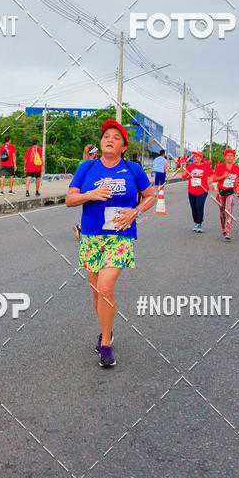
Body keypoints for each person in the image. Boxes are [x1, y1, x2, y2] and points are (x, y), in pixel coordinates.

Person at [66, 119, 155, 368]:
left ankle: (105, 342)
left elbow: (150, 197)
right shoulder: (87, 166)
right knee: (96, 290)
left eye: (116, 137)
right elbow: (70, 200)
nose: (109, 139)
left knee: (105, 288)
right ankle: (107, 329)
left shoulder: (133, 169)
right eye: (106, 135)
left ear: (124, 146)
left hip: (120, 235)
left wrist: (135, 212)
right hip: (92, 236)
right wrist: (89, 195)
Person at [210, 149, 239, 241]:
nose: (229, 157)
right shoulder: (220, 167)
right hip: (221, 192)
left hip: (231, 192)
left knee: (228, 211)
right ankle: (223, 228)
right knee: (222, 211)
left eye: (231, 155)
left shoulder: (236, 168)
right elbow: (214, 179)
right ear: (225, 157)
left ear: (234, 157)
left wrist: (238, 184)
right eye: (227, 156)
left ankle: (228, 231)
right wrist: (223, 176)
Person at [181, 151, 212, 232]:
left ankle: (200, 223)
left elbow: (212, 174)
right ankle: (196, 223)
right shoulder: (190, 166)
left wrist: (211, 179)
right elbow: (183, 175)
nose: (195, 158)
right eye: (194, 156)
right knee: (193, 207)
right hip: (191, 190)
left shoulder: (206, 166)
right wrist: (184, 169)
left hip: (203, 190)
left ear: (201, 158)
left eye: (197, 156)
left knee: (199, 206)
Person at [73, 145, 98, 240]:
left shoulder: (81, 163)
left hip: (82, 189)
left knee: (88, 210)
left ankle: (80, 227)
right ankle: (80, 227)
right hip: (91, 189)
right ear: (94, 153)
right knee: (93, 210)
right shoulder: (94, 163)